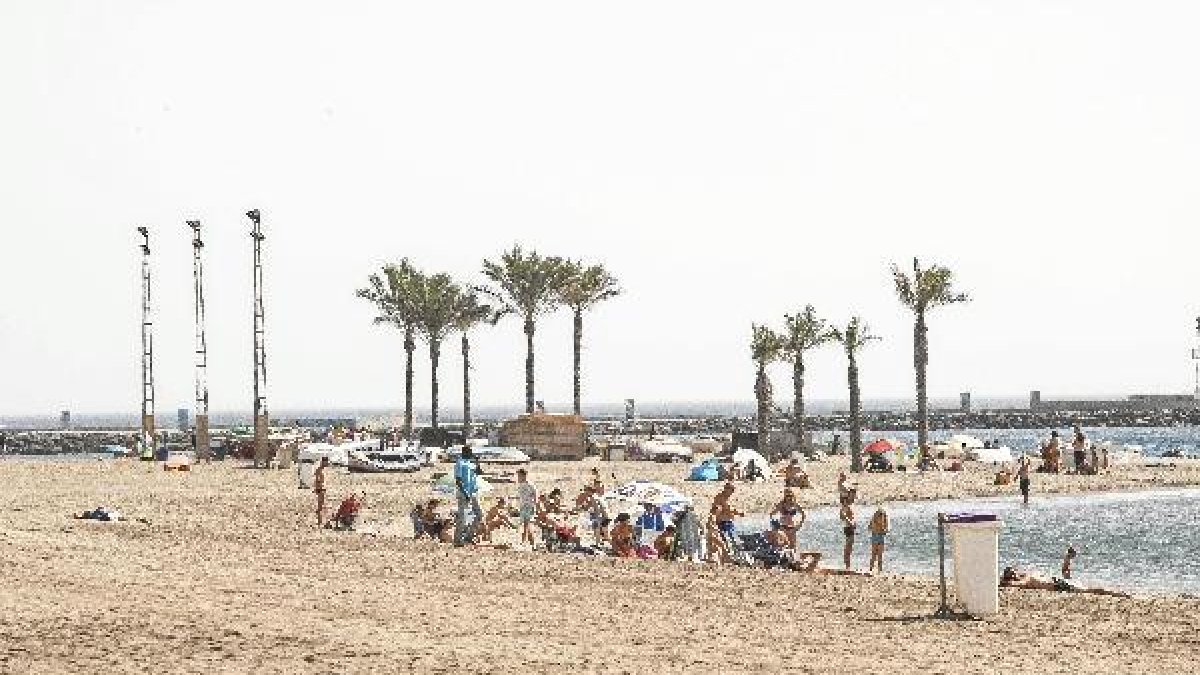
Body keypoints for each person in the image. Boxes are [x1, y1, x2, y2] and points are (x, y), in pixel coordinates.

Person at [1000, 567, 1130, 598]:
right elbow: (1017, 584)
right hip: (1058, 584)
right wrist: (1004, 584)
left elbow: (1017, 583)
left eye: (1014, 571)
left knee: (1088, 588)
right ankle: (1118, 593)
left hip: (1058, 582)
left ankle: (1118, 593)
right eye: (1013, 573)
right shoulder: (1026, 579)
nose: (1015, 573)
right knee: (1090, 590)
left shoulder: (1027, 576)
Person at [453, 446, 483, 546]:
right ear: (465, 452)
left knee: (479, 515)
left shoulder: (470, 463)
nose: (471, 454)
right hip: (463, 493)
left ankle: (468, 536)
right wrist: (465, 493)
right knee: (463, 516)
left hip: (473, 492)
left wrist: (477, 462)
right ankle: (458, 539)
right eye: (470, 452)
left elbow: (479, 472)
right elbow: (458, 480)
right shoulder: (459, 463)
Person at [710, 481, 743, 563]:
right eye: (731, 489)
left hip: (729, 522)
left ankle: (732, 557)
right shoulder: (720, 497)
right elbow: (721, 509)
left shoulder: (729, 498)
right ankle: (725, 558)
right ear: (726, 489)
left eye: (733, 490)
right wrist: (737, 512)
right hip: (722, 523)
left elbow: (730, 509)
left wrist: (737, 513)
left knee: (732, 541)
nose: (732, 492)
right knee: (724, 541)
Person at [515, 468, 538, 546]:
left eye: (519, 476)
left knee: (527, 524)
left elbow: (535, 495)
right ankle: (527, 542)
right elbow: (520, 497)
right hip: (522, 506)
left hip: (529, 506)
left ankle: (527, 542)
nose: (518, 478)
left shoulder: (530, 485)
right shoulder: (520, 485)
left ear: (524, 476)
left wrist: (534, 505)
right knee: (525, 524)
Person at [867, 505, 889, 573]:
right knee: (877, 555)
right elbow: (870, 527)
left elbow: (869, 528)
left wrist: (882, 529)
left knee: (876, 555)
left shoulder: (882, 517)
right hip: (878, 536)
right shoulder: (880, 517)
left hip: (877, 536)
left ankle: (874, 569)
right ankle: (876, 570)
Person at [839, 497, 856, 570]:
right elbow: (844, 518)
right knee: (848, 549)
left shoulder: (845, 508)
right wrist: (851, 523)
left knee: (848, 549)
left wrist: (851, 522)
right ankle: (847, 566)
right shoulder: (846, 508)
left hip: (848, 528)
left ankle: (847, 566)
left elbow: (844, 518)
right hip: (848, 528)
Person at [313, 457, 330, 528]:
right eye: (326, 462)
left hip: (321, 489)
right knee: (320, 506)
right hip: (320, 489)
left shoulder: (320, 470)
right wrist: (320, 488)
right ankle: (319, 522)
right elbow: (318, 481)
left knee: (321, 506)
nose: (327, 464)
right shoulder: (319, 470)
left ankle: (320, 521)